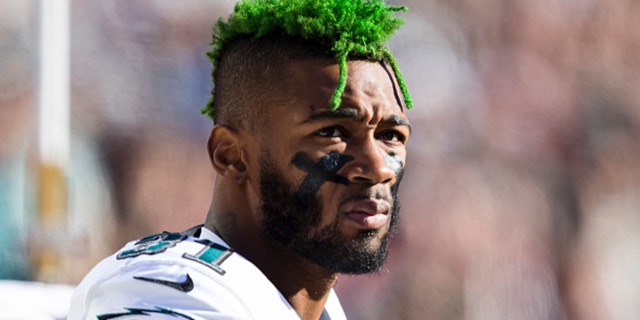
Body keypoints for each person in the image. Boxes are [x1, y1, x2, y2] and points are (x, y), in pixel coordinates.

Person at [69, 0, 413, 319]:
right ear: (231, 156)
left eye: (390, 136)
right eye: (332, 132)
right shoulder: (168, 289)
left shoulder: (312, 305)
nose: (378, 167)